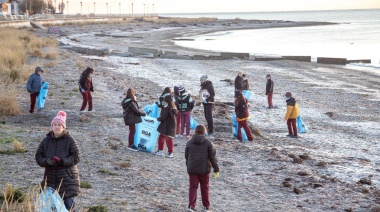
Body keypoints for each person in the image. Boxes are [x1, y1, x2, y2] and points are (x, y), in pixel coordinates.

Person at [35, 111, 81, 211]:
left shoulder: (69, 140)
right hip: (50, 179)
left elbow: (76, 157)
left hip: (67, 179)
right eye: (55, 125)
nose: (56, 127)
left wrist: (62, 161)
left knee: (69, 206)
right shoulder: (46, 141)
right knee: (52, 206)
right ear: (52, 126)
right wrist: (47, 161)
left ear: (63, 127)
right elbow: (38, 157)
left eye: (59, 125)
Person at [185, 124, 219, 212]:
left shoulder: (189, 142)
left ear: (195, 131)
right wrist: (216, 169)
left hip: (192, 169)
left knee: (193, 187)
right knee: (205, 187)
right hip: (204, 170)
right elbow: (213, 158)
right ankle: (206, 207)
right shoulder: (208, 143)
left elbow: (186, 157)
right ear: (204, 132)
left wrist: (188, 166)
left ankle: (191, 206)